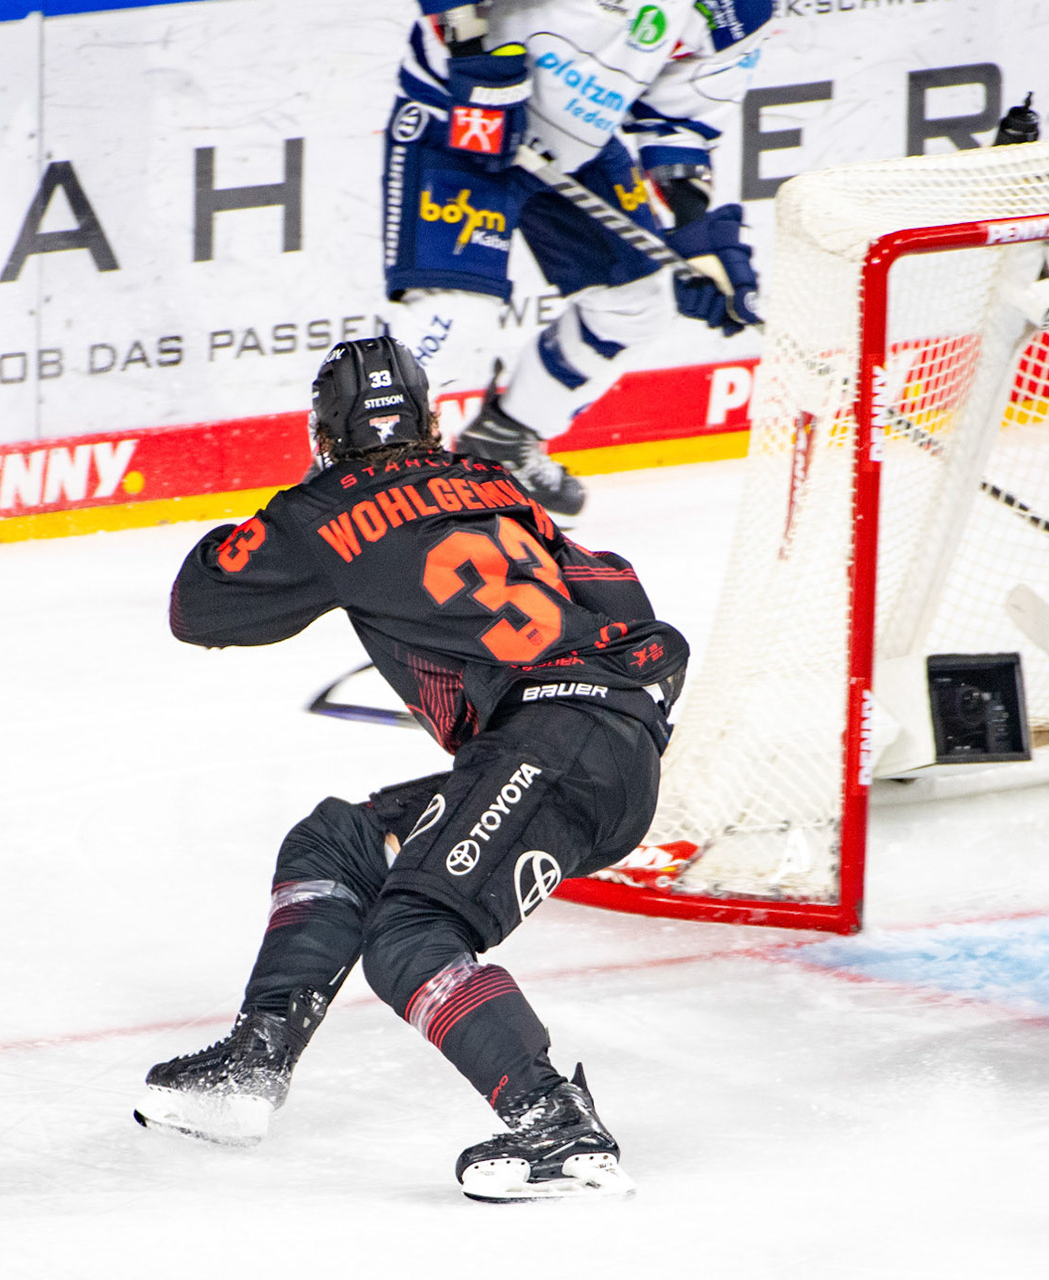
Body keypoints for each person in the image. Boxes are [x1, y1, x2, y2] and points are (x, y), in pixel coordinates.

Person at [137, 336, 690, 1200]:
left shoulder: (321, 508)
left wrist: (301, 521)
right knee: (340, 842)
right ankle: (255, 1066)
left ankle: (560, 1128)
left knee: (413, 934)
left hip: (551, 740)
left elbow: (199, 605)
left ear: (325, 433)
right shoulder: (496, 486)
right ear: (429, 419)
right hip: (597, 737)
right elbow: (617, 590)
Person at [380, 0, 769, 516]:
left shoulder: (739, 9)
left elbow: (682, 118)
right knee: (455, 321)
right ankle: (343, 472)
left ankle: (504, 441)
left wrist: (693, 227)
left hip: (574, 146)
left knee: (639, 306)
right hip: (457, 118)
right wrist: (470, 44)